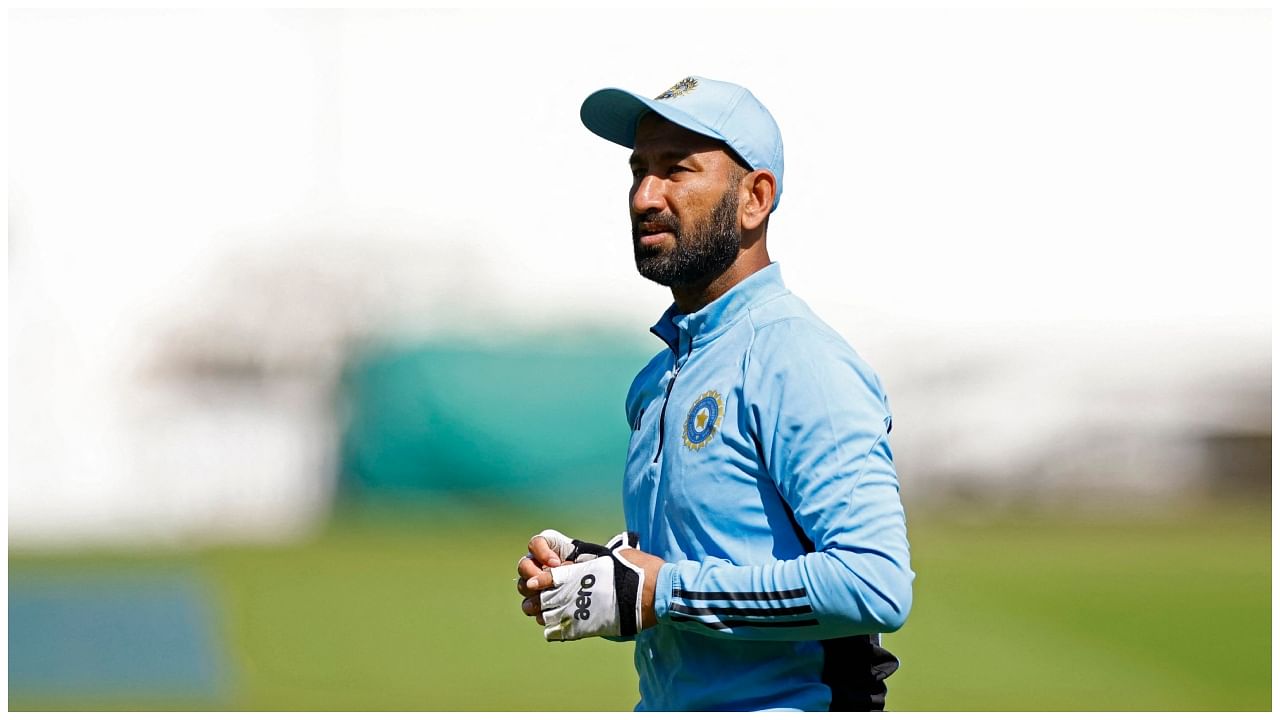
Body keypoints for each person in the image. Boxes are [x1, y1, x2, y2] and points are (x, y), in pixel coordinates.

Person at [515, 75, 914, 712]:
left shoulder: (798, 359)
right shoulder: (658, 378)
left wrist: (663, 592)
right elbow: (711, 556)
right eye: (639, 170)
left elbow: (875, 584)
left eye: (677, 170)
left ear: (755, 198)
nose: (646, 195)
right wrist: (606, 574)